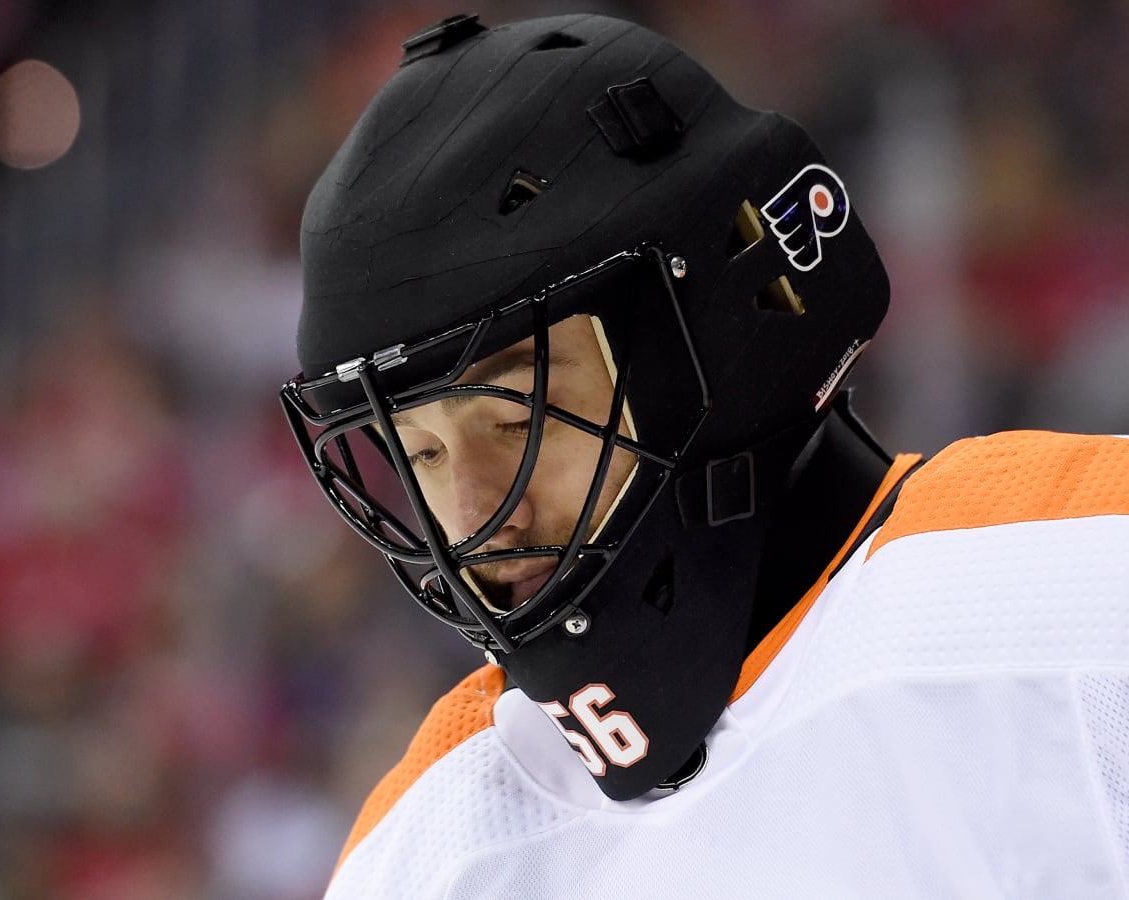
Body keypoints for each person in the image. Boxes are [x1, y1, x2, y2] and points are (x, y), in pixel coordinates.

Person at [280, 12, 1129, 898]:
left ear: (723, 332)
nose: (472, 519)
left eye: (515, 420)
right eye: (417, 452)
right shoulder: (431, 849)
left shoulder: (1077, 593)